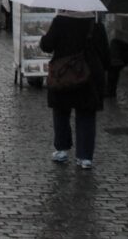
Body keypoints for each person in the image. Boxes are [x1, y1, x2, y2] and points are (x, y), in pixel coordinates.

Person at [39, 11, 110, 170]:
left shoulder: (60, 21)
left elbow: (47, 46)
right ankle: (85, 157)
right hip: (89, 75)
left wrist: (44, 36)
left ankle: (62, 149)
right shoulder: (96, 25)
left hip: (63, 74)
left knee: (61, 110)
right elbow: (106, 55)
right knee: (86, 114)